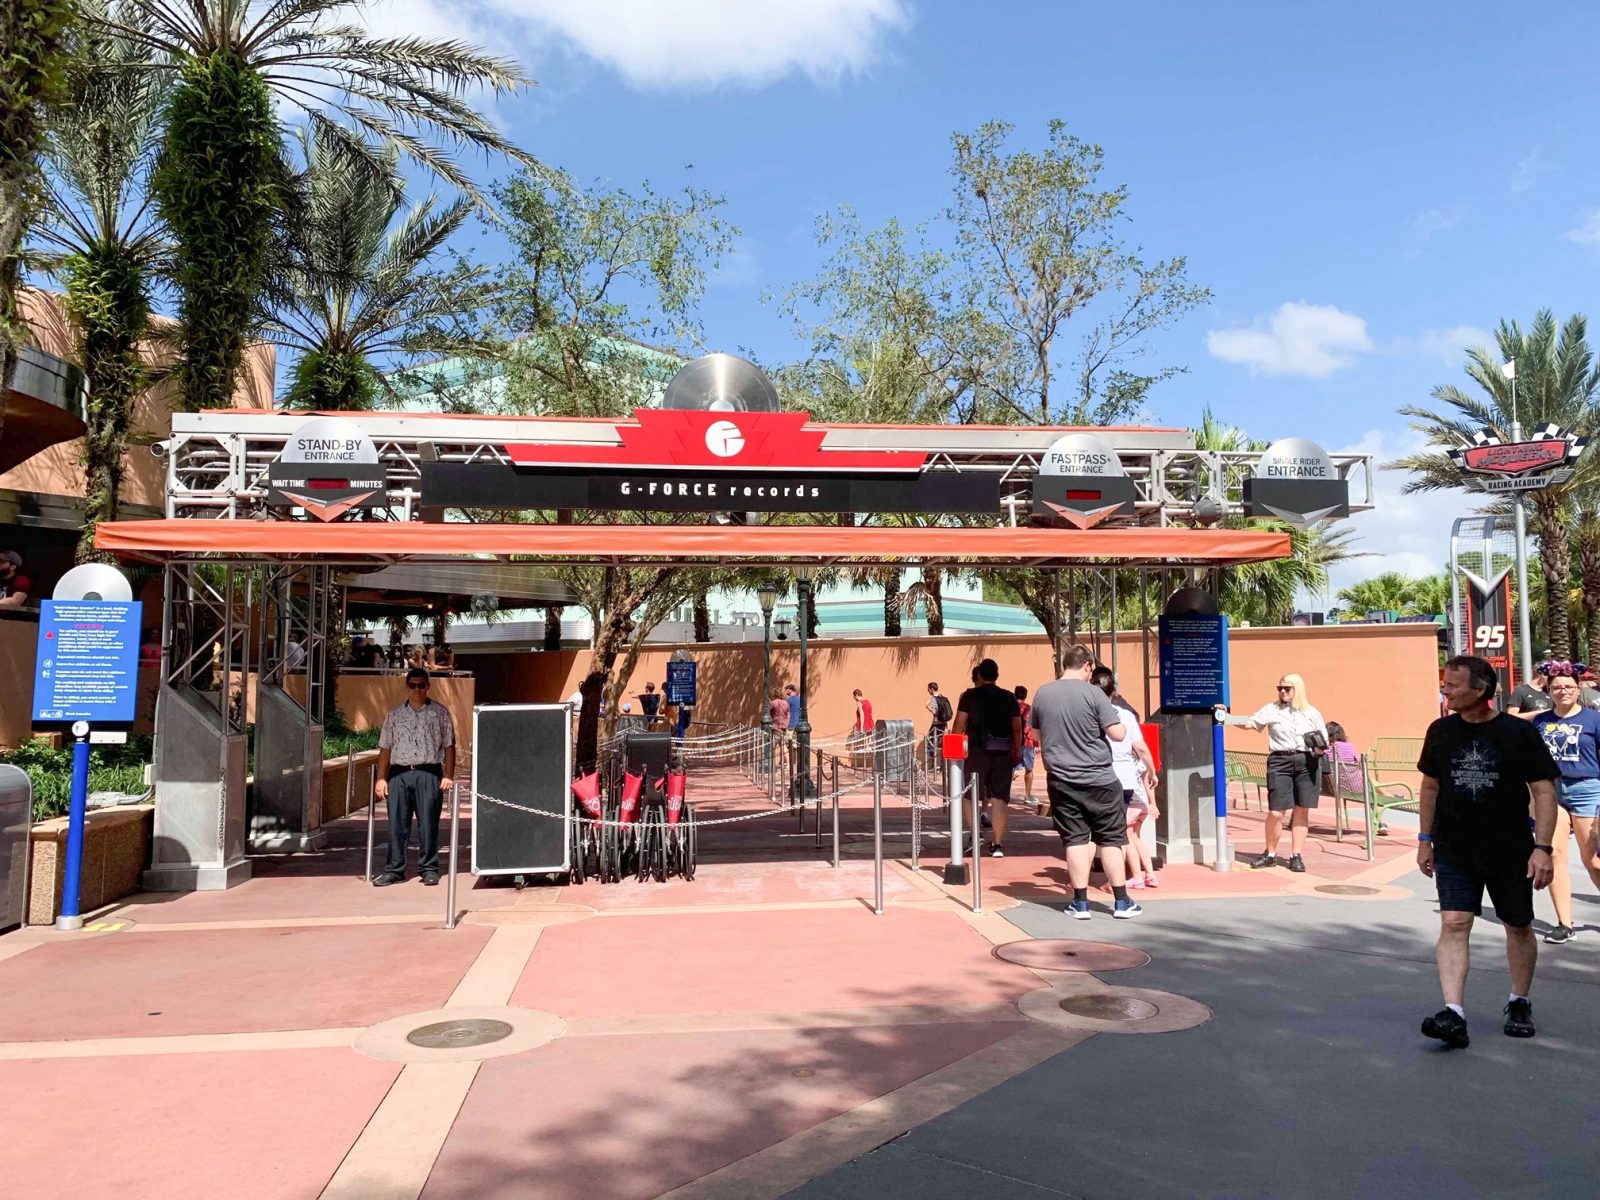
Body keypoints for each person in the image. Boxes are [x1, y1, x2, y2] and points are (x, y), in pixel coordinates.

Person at [1417, 654, 1557, 1047]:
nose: (1445, 689)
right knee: (1454, 923)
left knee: (1517, 925)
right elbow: (1430, 787)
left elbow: (1543, 792)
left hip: (1510, 848)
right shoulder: (1440, 731)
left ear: (1480, 691)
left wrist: (1542, 848)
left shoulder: (1518, 733)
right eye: (1444, 682)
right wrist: (1424, 839)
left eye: (1453, 684)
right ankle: (1453, 1014)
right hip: (1454, 847)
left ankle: (1518, 1000)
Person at [1031, 645, 1138, 919]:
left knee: (1075, 839)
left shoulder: (1043, 692)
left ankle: (1080, 903)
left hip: (1062, 779)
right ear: (1088, 666)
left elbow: (1035, 734)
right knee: (1112, 839)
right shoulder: (1094, 693)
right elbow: (1115, 733)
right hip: (1100, 779)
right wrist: (1123, 727)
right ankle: (1122, 902)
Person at [1217, 673, 1328, 873]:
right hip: (1280, 761)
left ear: (1298, 689)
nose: (1282, 691)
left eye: (1287, 688)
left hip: (1307, 761)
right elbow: (1250, 723)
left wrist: (1320, 747)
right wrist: (1228, 717)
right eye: (1280, 688)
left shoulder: (1312, 713)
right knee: (1276, 812)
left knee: (1302, 810)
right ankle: (1270, 854)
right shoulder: (1271, 709)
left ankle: (1296, 855)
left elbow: (1324, 739)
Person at [1529, 663, 1600, 944]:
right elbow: (1530, 761)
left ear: (1578, 688)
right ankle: (1564, 923)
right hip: (1550, 791)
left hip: (1588, 789)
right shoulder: (1540, 722)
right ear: (1549, 690)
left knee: (1592, 859)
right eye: (1557, 687)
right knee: (1555, 853)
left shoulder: (1594, 720)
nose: (1563, 691)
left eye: (1569, 686)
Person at [373, 668, 457, 887]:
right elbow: (385, 748)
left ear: (428, 686)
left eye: (421, 685)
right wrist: (381, 778)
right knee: (397, 825)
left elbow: (449, 745)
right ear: (407, 686)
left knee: (428, 824)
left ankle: (429, 868)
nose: (417, 689)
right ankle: (394, 869)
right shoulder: (394, 715)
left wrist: (448, 775)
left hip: (428, 773)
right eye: (413, 685)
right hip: (399, 774)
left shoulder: (440, 713)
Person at [1092, 667, 1160, 889]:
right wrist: (1152, 771)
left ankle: (1114, 880)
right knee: (1119, 832)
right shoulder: (1127, 716)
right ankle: (1119, 879)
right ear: (1114, 691)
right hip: (1125, 779)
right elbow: (1141, 748)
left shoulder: (1088, 711)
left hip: (1098, 776)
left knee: (1102, 832)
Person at [954, 659, 1022, 857]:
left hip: (976, 753)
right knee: (999, 799)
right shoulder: (1009, 697)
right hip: (1002, 753)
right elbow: (1016, 727)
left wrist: (956, 749)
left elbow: (959, 724)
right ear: (997, 675)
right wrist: (1016, 751)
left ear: (980, 676)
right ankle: (997, 844)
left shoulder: (970, 696)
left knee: (969, 796)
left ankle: (975, 835)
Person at [1323, 720, 1388, 836]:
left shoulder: (1323, 750)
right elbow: (1359, 764)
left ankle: (1389, 797)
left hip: (1334, 787)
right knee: (1373, 794)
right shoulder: (1348, 747)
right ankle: (1381, 822)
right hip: (1354, 788)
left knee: (1370, 783)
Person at [1013, 685, 1038, 803]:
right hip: (1028, 742)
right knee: (1029, 769)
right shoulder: (1029, 709)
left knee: (1010, 768)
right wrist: (1037, 743)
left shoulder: (1011, 708)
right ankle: (1028, 795)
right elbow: (1033, 726)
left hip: (1014, 742)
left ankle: (1004, 794)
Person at [925, 681, 952, 762]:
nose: (928, 690)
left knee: (929, 739)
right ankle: (943, 763)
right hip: (944, 724)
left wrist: (927, 707)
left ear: (932, 689)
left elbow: (934, 712)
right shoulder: (942, 697)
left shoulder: (933, 699)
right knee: (942, 743)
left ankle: (933, 760)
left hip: (936, 724)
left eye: (928, 689)